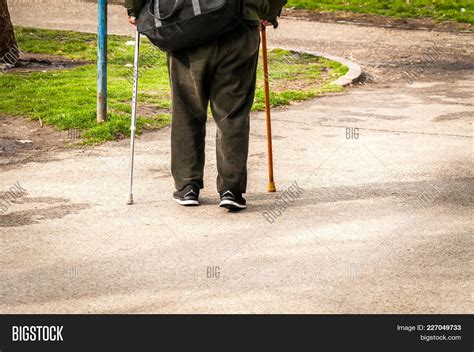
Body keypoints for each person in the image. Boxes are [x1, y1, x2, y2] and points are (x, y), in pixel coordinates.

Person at [125, 0, 286, 210]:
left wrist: (135, 9)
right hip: (240, 23)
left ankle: (187, 186)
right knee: (233, 112)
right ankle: (232, 189)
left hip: (186, 21)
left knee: (186, 109)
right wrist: (268, 11)